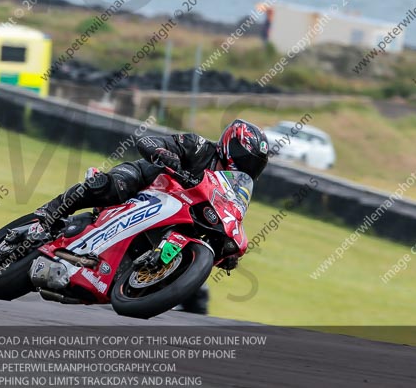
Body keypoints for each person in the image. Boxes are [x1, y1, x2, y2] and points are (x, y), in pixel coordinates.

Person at [33, 118, 270, 313]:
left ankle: (128, 273)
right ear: (232, 145)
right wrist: (162, 153)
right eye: (246, 156)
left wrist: (226, 251)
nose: (248, 164)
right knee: (108, 186)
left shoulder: (237, 187)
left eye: (255, 163)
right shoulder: (199, 146)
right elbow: (149, 140)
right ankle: (46, 215)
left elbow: (230, 215)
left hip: (178, 214)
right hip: (147, 183)